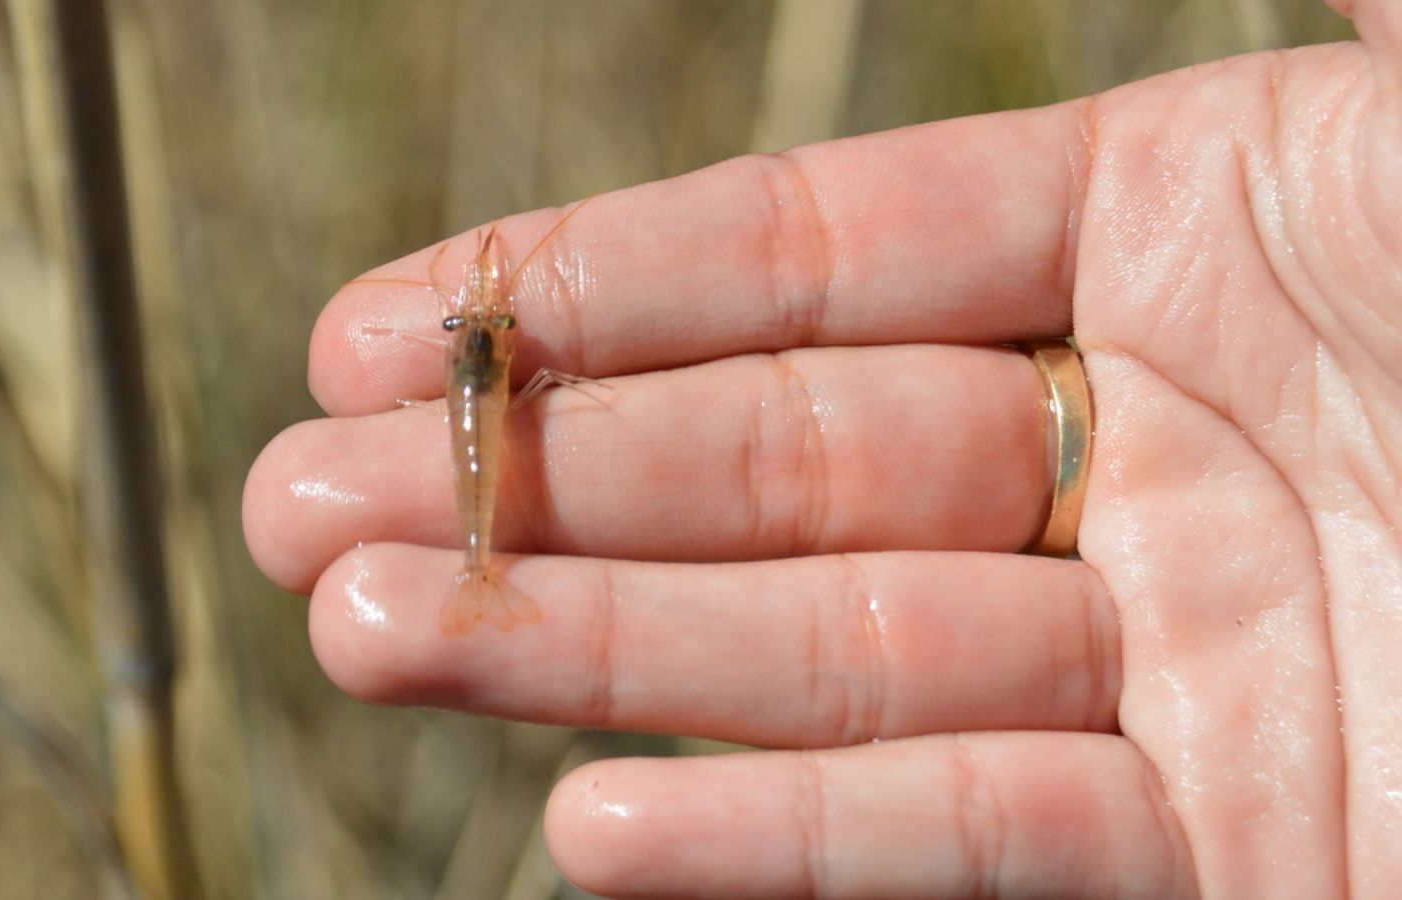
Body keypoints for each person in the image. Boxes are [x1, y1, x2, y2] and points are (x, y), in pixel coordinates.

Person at [243, 0, 1399, 894]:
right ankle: (477, 569)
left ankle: (479, 569)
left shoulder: (487, 355)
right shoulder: (486, 366)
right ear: (478, 355)